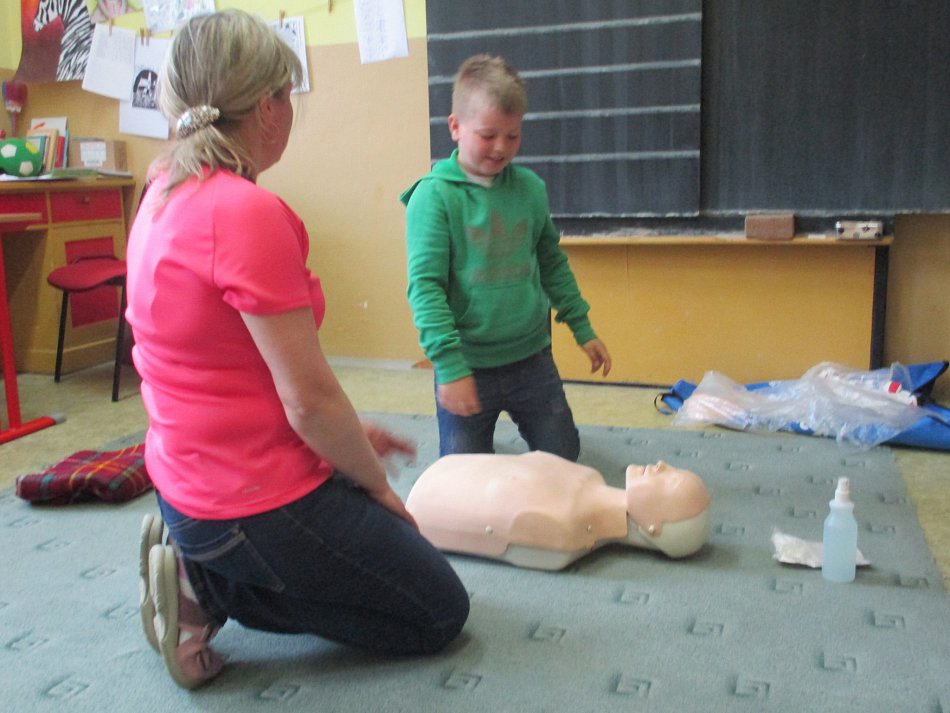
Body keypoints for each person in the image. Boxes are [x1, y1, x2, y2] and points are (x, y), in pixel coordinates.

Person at [125, 9, 468, 690]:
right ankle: (208, 588)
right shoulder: (243, 211)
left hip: (183, 483)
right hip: (242, 503)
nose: (291, 109)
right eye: (288, 93)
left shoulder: (161, 188)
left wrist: (349, 446)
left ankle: (205, 559)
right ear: (266, 106)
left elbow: (228, 368)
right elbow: (308, 400)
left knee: (381, 546)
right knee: (437, 611)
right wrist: (373, 484)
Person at [401, 54, 612, 462]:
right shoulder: (433, 197)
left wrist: (582, 328)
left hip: (531, 357)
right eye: (488, 135)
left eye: (513, 135)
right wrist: (449, 366)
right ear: (455, 126)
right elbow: (425, 288)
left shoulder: (530, 189)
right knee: (462, 472)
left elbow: (551, 262)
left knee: (564, 457)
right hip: (467, 362)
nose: (501, 147)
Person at [405, 452, 711, 571]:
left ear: (653, 527)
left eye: (671, 480)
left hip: (427, 500)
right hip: (442, 479)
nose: (662, 465)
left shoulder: (564, 527)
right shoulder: (588, 477)